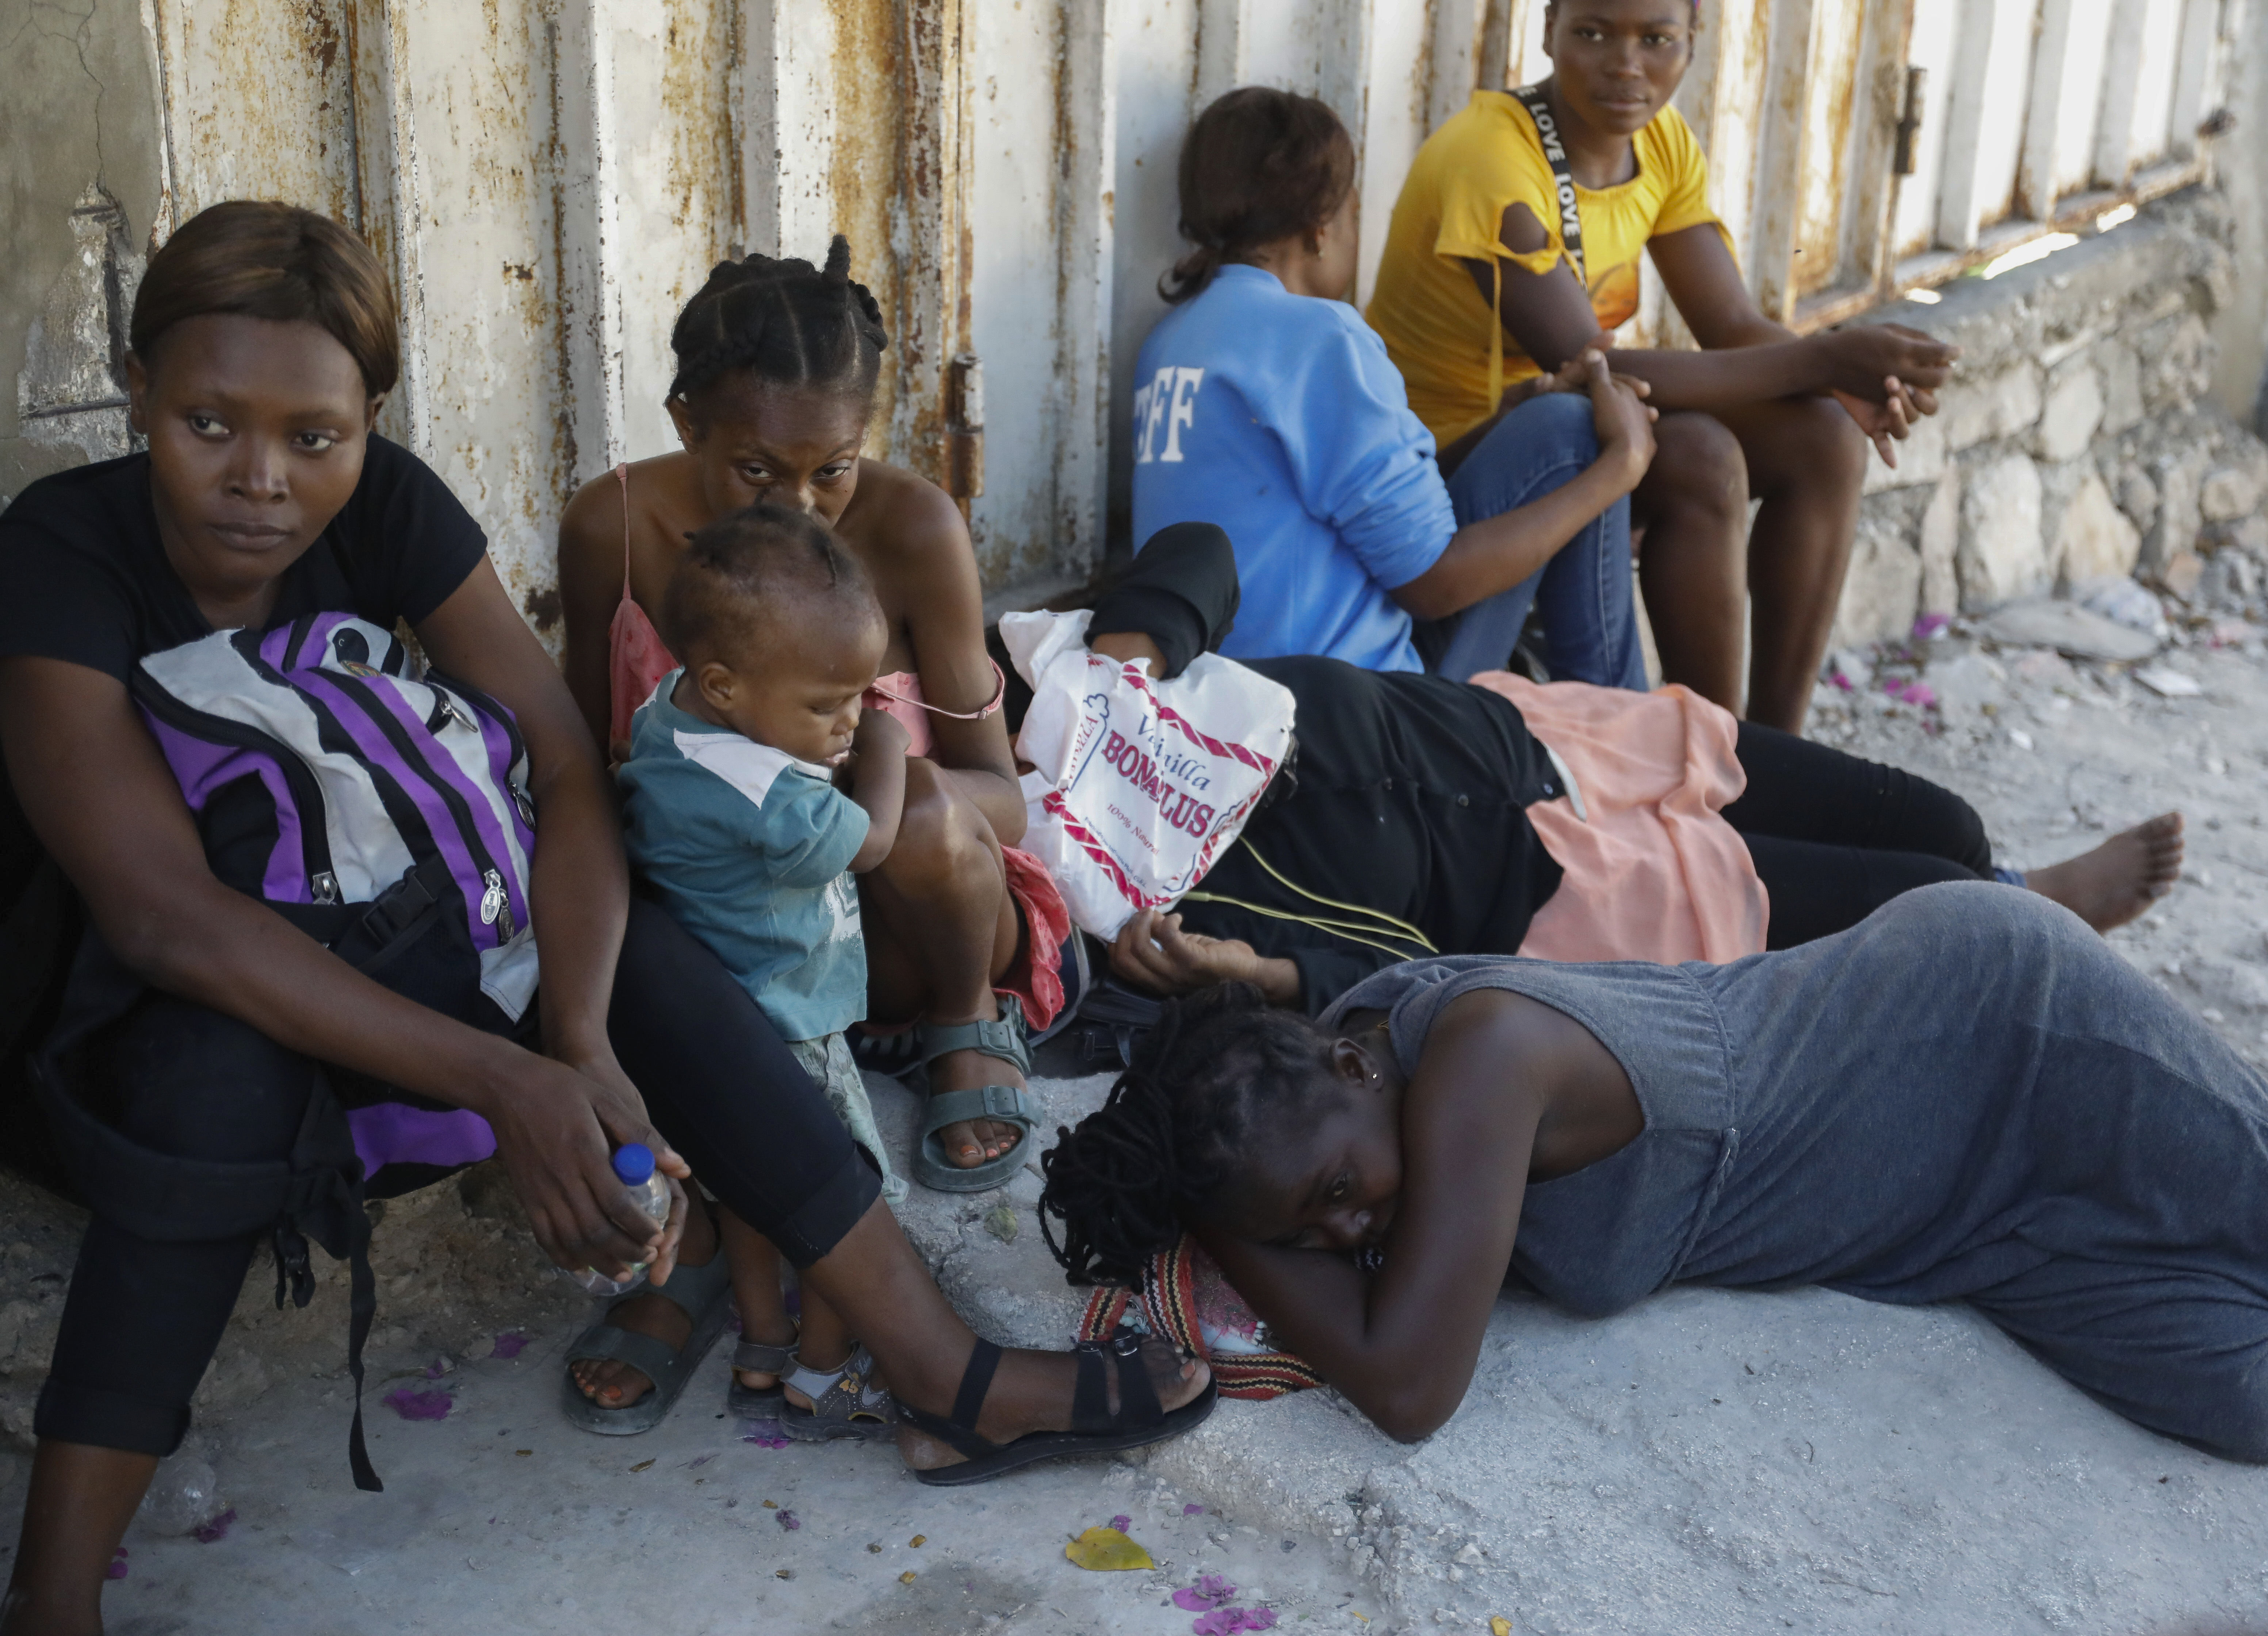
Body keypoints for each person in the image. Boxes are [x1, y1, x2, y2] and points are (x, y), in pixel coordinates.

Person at [0, 202, 1209, 1636]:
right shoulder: (62, 553)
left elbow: (566, 766)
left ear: (368, 422)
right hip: (137, 1006)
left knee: (643, 946)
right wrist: (508, 1076)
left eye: (314, 437)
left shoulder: (385, 504)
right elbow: (162, 919)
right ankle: (54, 1593)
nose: (262, 479)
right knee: (216, 1078)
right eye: (209, 423)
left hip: (381, 930)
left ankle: (944, 1371)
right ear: (138, 390)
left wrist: (573, 1031)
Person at [1040, 881, 2268, 1461]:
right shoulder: (1338, 1095)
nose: (1350, 1232)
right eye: (1308, 1234)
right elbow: (1369, 1314)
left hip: (2008, 1041)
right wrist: (1221, 1205)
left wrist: (1220, 1220)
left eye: (1334, 1195)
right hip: (1970, 1229)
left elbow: (1407, 1385)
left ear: (1355, 1070)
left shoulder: (1483, 1061)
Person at [1081, 525, 2181, 1014]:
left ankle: (2020, 893)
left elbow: (1198, 549)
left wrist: (1124, 671)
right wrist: (1266, 979)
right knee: (1920, 901)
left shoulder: (1066, 697)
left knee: (1941, 822)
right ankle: (2036, 918)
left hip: (1541, 736)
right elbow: (1388, 989)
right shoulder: (1106, 911)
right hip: (1555, 895)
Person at [559, 237, 1068, 1207]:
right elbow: (576, 773)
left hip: (912, 933)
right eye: (755, 470)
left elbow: (1005, 804)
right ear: (687, 423)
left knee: (924, 806)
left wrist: (850, 790)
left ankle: (965, 1020)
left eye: (832, 469)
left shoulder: (916, 530)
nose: (799, 506)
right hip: (730, 932)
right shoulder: (611, 531)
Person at [1364, 0, 1962, 731]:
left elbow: (1731, 325)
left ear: (1691, 43)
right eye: (1592, 34)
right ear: (1547, 30)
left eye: (1656, 39)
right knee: (1699, 454)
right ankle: (1710, 745)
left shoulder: (1661, 142)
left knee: (1826, 435)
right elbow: (1590, 370)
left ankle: (1768, 751)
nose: (1626, 65)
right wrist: (1827, 356)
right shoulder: (1490, 159)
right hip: (1451, 471)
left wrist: (1840, 379)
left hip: (1571, 431)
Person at [1132, 87, 1659, 686]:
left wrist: (1503, 421)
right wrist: (1622, 467)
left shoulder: (1171, 341)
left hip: (1220, 700)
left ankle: (1608, 713)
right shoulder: (1318, 336)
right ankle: (1623, 713)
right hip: (1350, 706)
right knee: (1571, 431)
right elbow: (1432, 586)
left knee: (1548, 419)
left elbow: (1356, 501)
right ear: (1321, 229)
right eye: (1354, 216)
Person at [614, 505, 910, 1440]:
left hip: (720, 1021)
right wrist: (889, 749)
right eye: (827, 705)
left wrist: (828, 718)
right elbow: (874, 842)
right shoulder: (776, 797)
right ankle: (823, 1370)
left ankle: (761, 1345)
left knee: (747, 1196)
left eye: (860, 697)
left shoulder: (666, 713)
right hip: (793, 1017)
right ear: (725, 684)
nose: (850, 719)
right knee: (833, 1201)